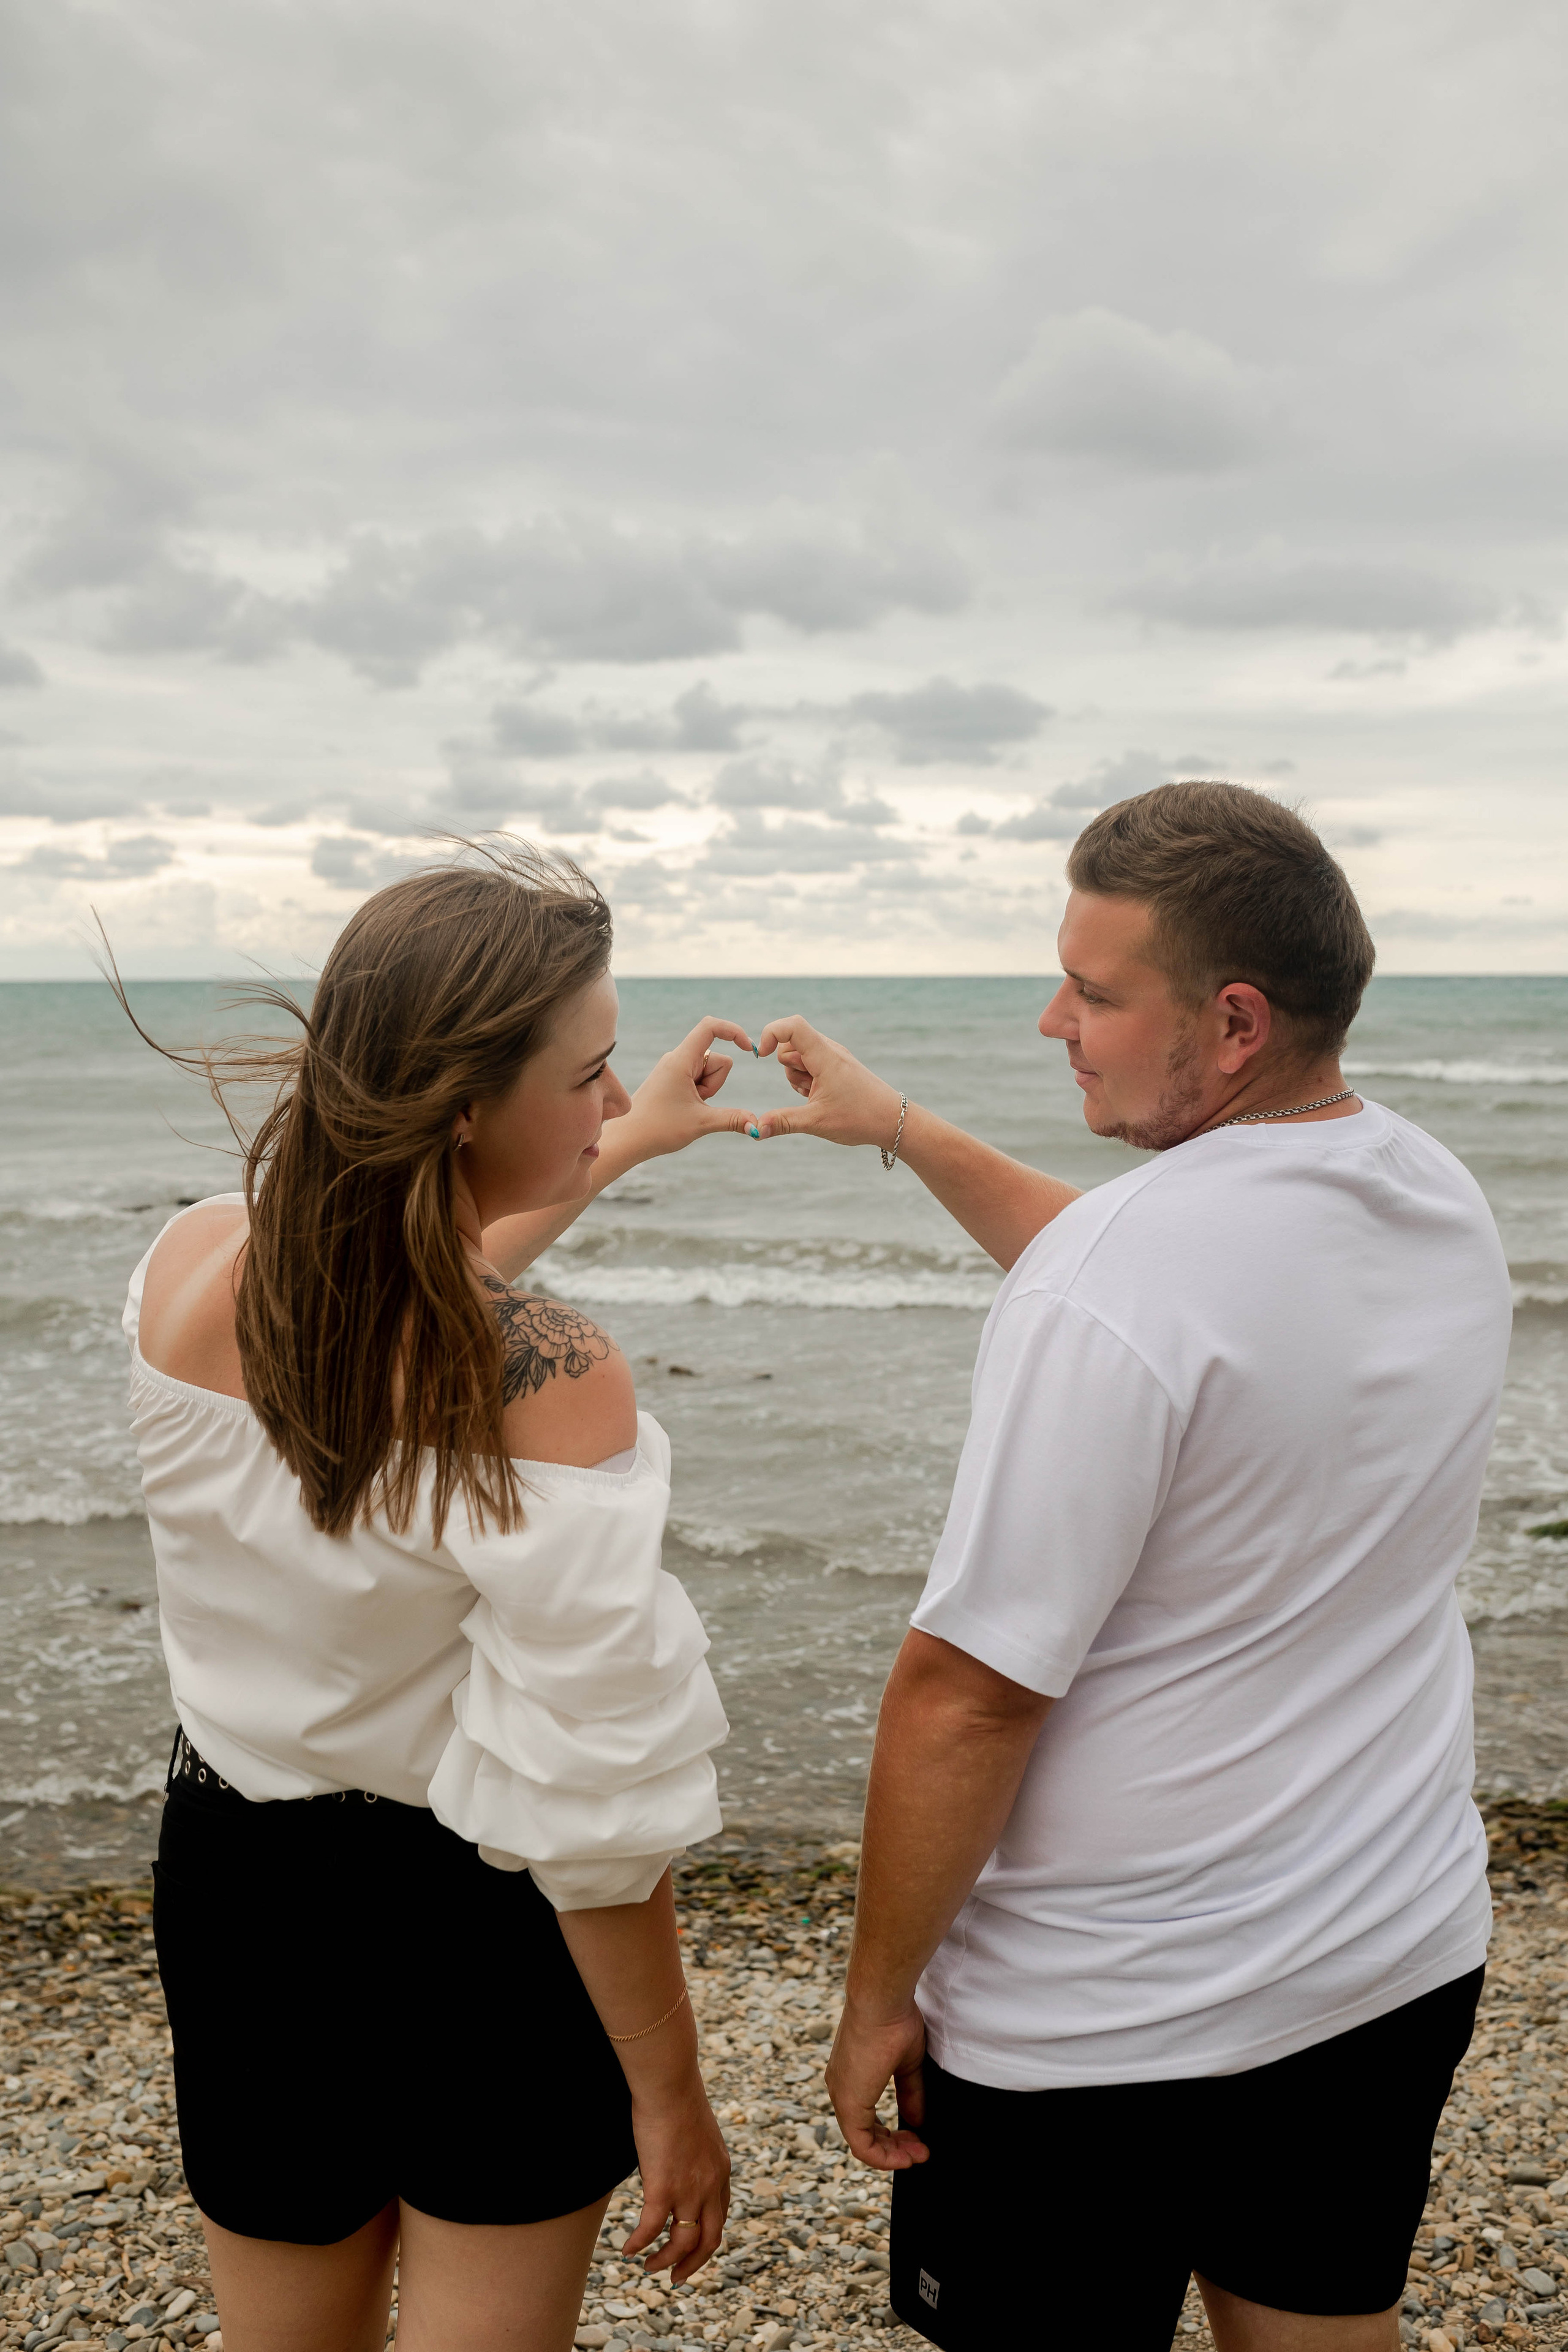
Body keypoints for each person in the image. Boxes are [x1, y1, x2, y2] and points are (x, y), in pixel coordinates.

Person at [750, 782, 1510, 2352]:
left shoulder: (1121, 1283)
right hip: (1382, 1957)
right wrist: (897, 1126)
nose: (1052, 1021)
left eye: (1094, 994)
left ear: (1231, 1021)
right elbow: (1149, 1292)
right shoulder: (1429, 1194)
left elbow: (961, 1699)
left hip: (1099, 2027)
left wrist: (876, 1994)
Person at [115, 842, 760, 2352]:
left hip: (234, 1890)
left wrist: (635, 1145)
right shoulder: (554, 1376)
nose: (610, 1103)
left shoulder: (196, 1269)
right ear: (463, 1108)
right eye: (591, 1077)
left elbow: (392, 1291)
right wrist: (670, 2093)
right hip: (463, 1913)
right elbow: (594, 1809)